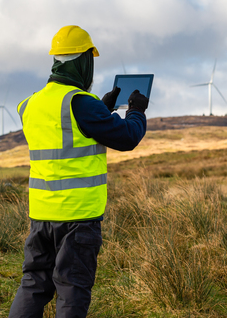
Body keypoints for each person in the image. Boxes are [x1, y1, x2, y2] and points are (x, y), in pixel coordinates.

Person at [8, 25, 148, 318]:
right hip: (77, 219)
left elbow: (66, 130)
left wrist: (100, 108)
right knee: (72, 289)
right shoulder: (80, 104)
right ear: (85, 60)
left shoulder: (30, 104)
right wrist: (136, 110)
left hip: (42, 215)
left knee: (33, 283)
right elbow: (127, 137)